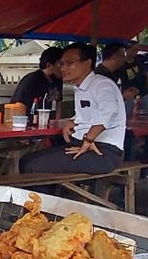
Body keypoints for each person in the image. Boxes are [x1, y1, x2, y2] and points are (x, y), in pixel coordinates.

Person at [19, 42, 125, 174]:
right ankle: (51, 194)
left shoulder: (102, 84)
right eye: (62, 63)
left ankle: (46, 195)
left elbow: (109, 111)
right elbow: (88, 113)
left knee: (32, 166)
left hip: (103, 151)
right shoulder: (81, 88)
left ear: (87, 63)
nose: (63, 68)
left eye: (70, 63)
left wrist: (88, 139)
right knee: (26, 160)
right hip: (82, 144)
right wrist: (73, 121)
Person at [10, 45, 64, 109]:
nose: (63, 68)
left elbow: (58, 103)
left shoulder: (57, 80)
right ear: (49, 65)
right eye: (60, 64)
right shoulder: (32, 80)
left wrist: (57, 119)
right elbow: (18, 104)